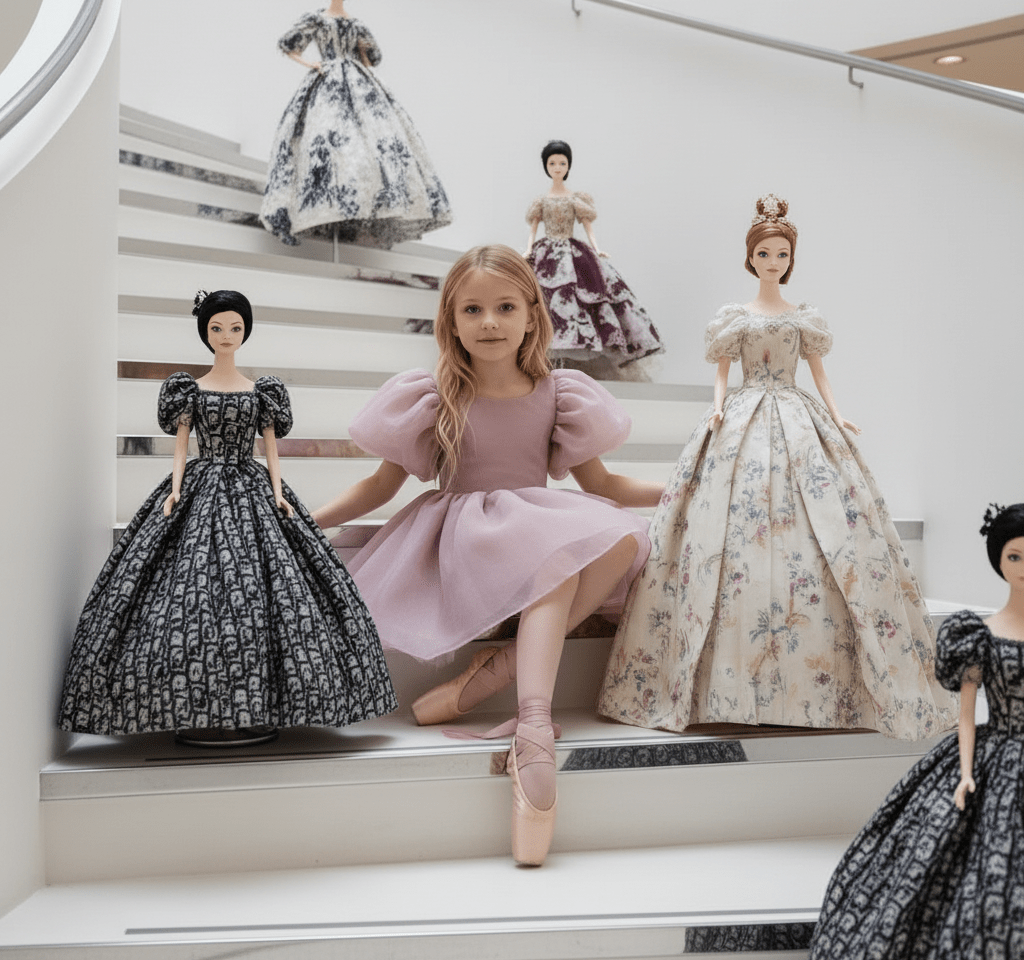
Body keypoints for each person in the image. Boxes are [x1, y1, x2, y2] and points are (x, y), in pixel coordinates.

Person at [313, 244, 661, 864]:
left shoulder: (558, 393)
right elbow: (380, 487)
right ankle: (534, 726)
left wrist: (685, 485)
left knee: (621, 538)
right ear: (451, 321)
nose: (490, 322)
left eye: (505, 307)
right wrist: (305, 519)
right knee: (554, 556)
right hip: (465, 535)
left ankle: (499, 672)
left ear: (531, 315)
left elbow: (605, 486)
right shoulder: (437, 394)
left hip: (534, 524)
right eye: (472, 310)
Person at [598, 194, 956, 740]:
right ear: (751, 257)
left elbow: (819, 374)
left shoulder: (802, 318)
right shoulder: (734, 318)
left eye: (781, 254)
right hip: (742, 415)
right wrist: (717, 408)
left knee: (824, 526)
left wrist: (838, 415)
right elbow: (723, 373)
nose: (773, 261)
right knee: (725, 530)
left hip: (797, 414)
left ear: (791, 259)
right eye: (764, 253)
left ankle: (817, 684)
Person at [59, 290, 397, 743]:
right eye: (217, 328)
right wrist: (175, 491)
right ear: (206, 332)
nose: (226, 335)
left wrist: (278, 494)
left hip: (253, 487)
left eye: (235, 328)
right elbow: (182, 447)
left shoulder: (262, 392)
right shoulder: (189, 391)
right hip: (199, 486)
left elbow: (270, 449)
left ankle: (259, 703)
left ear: (245, 332)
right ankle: (195, 706)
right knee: (190, 592)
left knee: (268, 592)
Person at [808, 502, 1024, 960]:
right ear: (999, 561)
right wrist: (965, 774)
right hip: (994, 752)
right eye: (1014, 556)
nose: (1023, 567)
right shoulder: (978, 635)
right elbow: (966, 715)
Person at [259, 0, 452, 247]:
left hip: (359, 82)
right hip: (327, 81)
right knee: (325, 140)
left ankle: (368, 203)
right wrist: (312, 64)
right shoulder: (317, 19)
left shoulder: (357, 24)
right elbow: (288, 44)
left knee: (372, 145)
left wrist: (364, 64)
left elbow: (372, 59)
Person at [524, 140, 663, 379]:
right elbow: (533, 231)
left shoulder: (576, 199)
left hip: (573, 251)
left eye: (562, 163)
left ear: (568, 166)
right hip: (546, 255)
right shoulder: (541, 201)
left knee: (585, 295)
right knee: (543, 297)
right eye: (552, 163)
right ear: (546, 166)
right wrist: (528, 251)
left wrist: (597, 250)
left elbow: (588, 228)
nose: (557, 168)